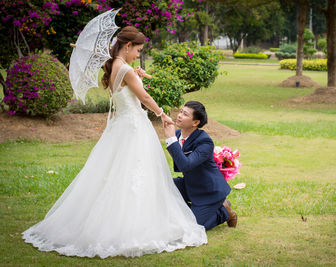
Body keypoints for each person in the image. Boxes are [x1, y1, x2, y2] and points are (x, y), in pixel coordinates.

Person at [22, 26, 207, 258]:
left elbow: (127, 92)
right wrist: (162, 113)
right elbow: (144, 97)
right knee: (134, 172)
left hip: (121, 127)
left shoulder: (114, 68)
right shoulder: (126, 69)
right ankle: (132, 227)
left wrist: (136, 77)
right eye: (138, 50)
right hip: (133, 127)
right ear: (127, 46)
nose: (138, 54)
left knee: (117, 174)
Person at [163, 101, 238, 231]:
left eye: (185, 114)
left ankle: (224, 211)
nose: (180, 115)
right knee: (164, 186)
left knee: (193, 228)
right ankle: (188, 212)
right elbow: (179, 167)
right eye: (181, 111)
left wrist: (171, 140)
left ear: (195, 123)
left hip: (208, 191)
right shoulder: (178, 134)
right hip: (190, 184)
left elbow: (185, 166)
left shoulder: (204, 142)